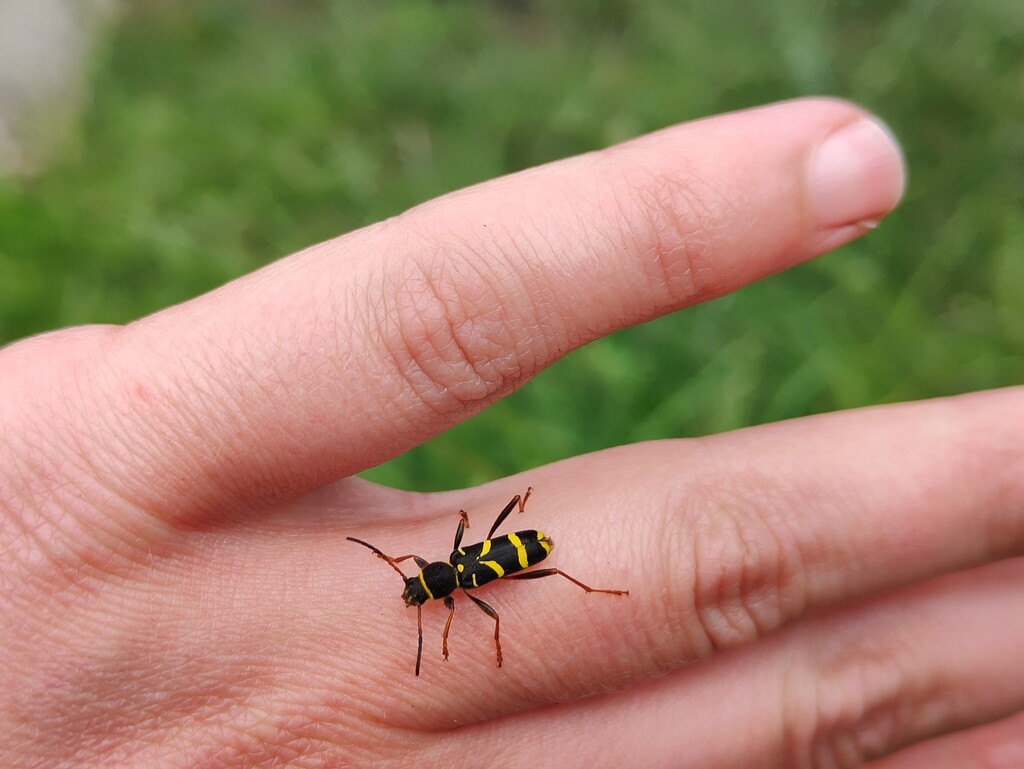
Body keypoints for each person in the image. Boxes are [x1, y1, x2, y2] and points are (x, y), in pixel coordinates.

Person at [2, 98, 1020, 768]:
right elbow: (458, 599)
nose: (425, 586)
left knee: (521, 567)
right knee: (515, 582)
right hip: (520, 558)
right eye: (424, 587)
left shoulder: (460, 580)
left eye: (421, 582)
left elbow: (457, 592)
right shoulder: (460, 585)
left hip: (527, 553)